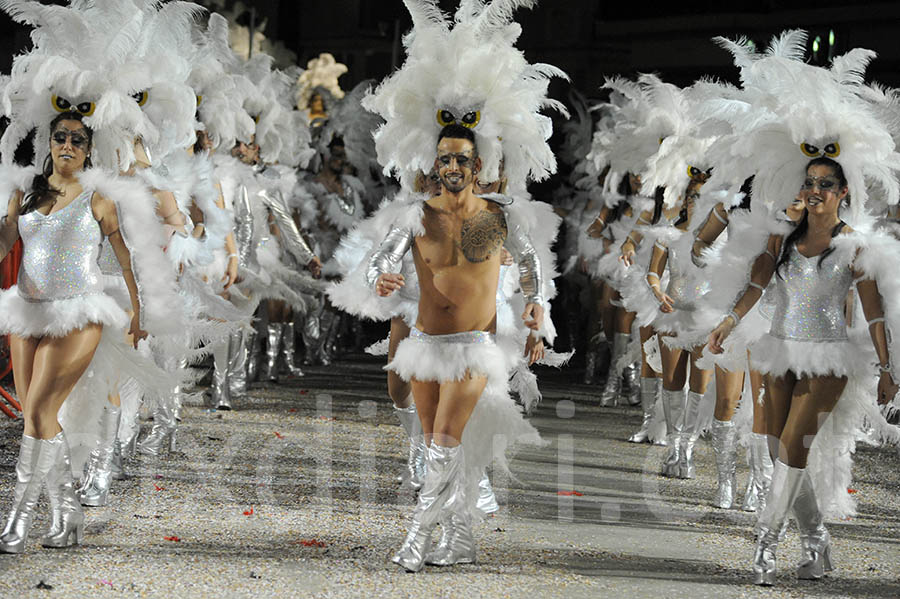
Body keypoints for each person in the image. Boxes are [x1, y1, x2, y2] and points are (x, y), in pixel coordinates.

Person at [708, 157, 899, 585]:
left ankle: (765, 546)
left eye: (826, 184)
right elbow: (756, 285)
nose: (815, 191)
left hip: (829, 358)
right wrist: (728, 321)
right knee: (777, 449)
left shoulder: (854, 246)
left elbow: (873, 314)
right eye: (810, 182)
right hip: (778, 350)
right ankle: (815, 540)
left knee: (795, 445)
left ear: (844, 192)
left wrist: (887, 368)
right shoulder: (781, 237)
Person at [374, 124, 542, 572]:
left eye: (461, 159)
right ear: (435, 163)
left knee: (446, 442)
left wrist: (536, 305)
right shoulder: (416, 215)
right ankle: (460, 539)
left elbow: (530, 263)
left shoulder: (498, 216)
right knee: (436, 448)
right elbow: (383, 257)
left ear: (477, 165)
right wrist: (380, 277)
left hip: (474, 346)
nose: (452, 167)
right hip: (425, 345)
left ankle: (416, 537)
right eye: (445, 159)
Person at [0, 113, 148, 552]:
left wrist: (138, 311)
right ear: (48, 142)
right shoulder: (25, 190)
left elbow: (123, 260)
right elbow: (7, 238)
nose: (68, 145)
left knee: (43, 410)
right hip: (27, 311)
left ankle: (17, 521)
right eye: (60, 137)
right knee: (35, 418)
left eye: (78, 140)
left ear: (88, 149)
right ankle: (68, 516)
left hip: (79, 312)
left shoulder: (98, 197)